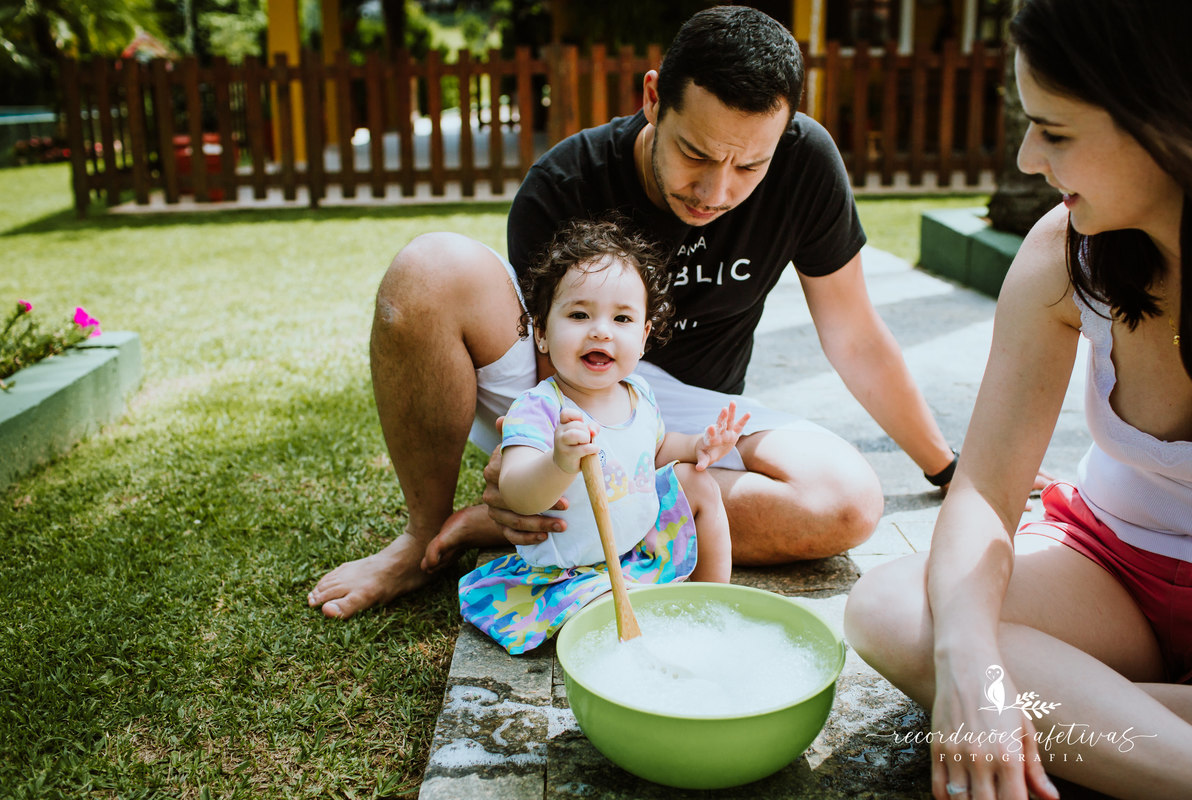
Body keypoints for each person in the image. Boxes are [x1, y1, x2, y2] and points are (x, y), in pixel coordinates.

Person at [308, 5, 958, 620]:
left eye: (749, 165)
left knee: (847, 502)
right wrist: (540, 464)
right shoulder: (567, 182)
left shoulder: (806, 163)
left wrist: (946, 467)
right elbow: (553, 375)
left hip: (688, 413)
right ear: (653, 97)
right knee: (428, 269)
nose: (716, 191)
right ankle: (423, 539)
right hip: (568, 384)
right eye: (696, 154)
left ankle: (540, 527)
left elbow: (853, 334)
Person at [843, 1, 1192, 798]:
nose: (1029, 158)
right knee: (894, 608)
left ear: (1168, 120)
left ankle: (1114, 725)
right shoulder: (1065, 252)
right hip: (1111, 570)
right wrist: (970, 664)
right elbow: (986, 492)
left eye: (1055, 132)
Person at [457, 217, 746, 654]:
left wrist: (699, 446)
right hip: (570, 575)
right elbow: (517, 493)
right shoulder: (539, 408)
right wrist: (558, 462)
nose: (601, 330)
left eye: (622, 318)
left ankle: (712, 605)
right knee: (610, 615)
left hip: (633, 550)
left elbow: (654, 449)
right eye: (579, 315)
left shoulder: (638, 393)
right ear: (541, 332)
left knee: (698, 482)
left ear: (644, 336)